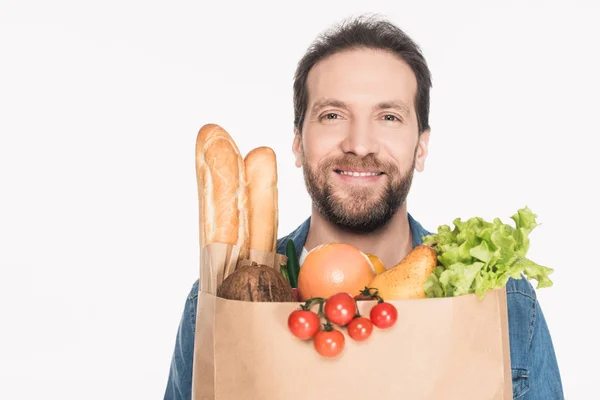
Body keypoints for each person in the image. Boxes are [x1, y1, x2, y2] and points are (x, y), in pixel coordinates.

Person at [164, 15, 564, 400]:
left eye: (388, 116)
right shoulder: (220, 300)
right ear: (298, 144)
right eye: (332, 115)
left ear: (420, 147)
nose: (360, 143)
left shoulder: (504, 300)